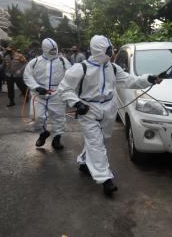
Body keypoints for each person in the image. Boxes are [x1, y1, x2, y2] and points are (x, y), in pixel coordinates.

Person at [58, 35, 163, 195]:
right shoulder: (81, 68)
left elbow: (130, 81)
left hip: (109, 107)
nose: (111, 52)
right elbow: (64, 89)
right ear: (99, 50)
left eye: (111, 49)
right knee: (95, 143)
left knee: (103, 140)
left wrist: (149, 79)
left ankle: (85, 163)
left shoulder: (112, 68)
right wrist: (77, 103)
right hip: (89, 108)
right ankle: (105, 179)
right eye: (108, 50)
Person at [23, 38, 71, 150]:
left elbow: (71, 75)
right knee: (36, 116)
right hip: (38, 95)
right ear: (44, 49)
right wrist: (36, 87)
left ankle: (57, 139)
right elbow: (27, 75)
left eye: (55, 50)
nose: (54, 53)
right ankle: (43, 133)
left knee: (59, 117)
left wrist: (65, 89)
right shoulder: (34, 62)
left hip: (57, 94)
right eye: (51, 50)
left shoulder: (63, 61)